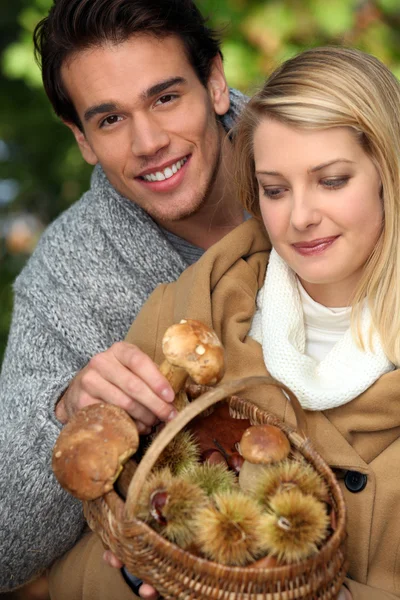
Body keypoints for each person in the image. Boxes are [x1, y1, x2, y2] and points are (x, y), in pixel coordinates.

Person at [49, 46, 400, 600]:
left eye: (332, 181)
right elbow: (83, 559)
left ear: (388, 172)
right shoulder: (188, 311)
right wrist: (138, 575)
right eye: (275, 189)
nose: (301, 217)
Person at [0, 0, 248, 593]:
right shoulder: (67, 277)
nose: (149, 142)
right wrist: (66, 415)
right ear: (81, 139)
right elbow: (5, 546)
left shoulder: (325, 147)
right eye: (109, 120)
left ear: (214, 82)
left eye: (165, 98)